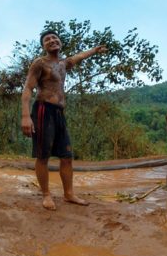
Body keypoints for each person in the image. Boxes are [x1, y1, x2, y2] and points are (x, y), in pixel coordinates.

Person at [21, 30, 106, 210]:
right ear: (43, 46)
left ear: (60, 41)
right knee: (43, 156)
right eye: (47, 39)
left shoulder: (63, 63)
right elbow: (28, 88)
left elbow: (79, 56)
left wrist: (94, 50)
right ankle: (46, 195)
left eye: (54, 38)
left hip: (59, 113)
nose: (52, 40)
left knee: (66, 156)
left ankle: (69, 194)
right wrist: (26, 116)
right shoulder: (40, 63)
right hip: (43, 110)